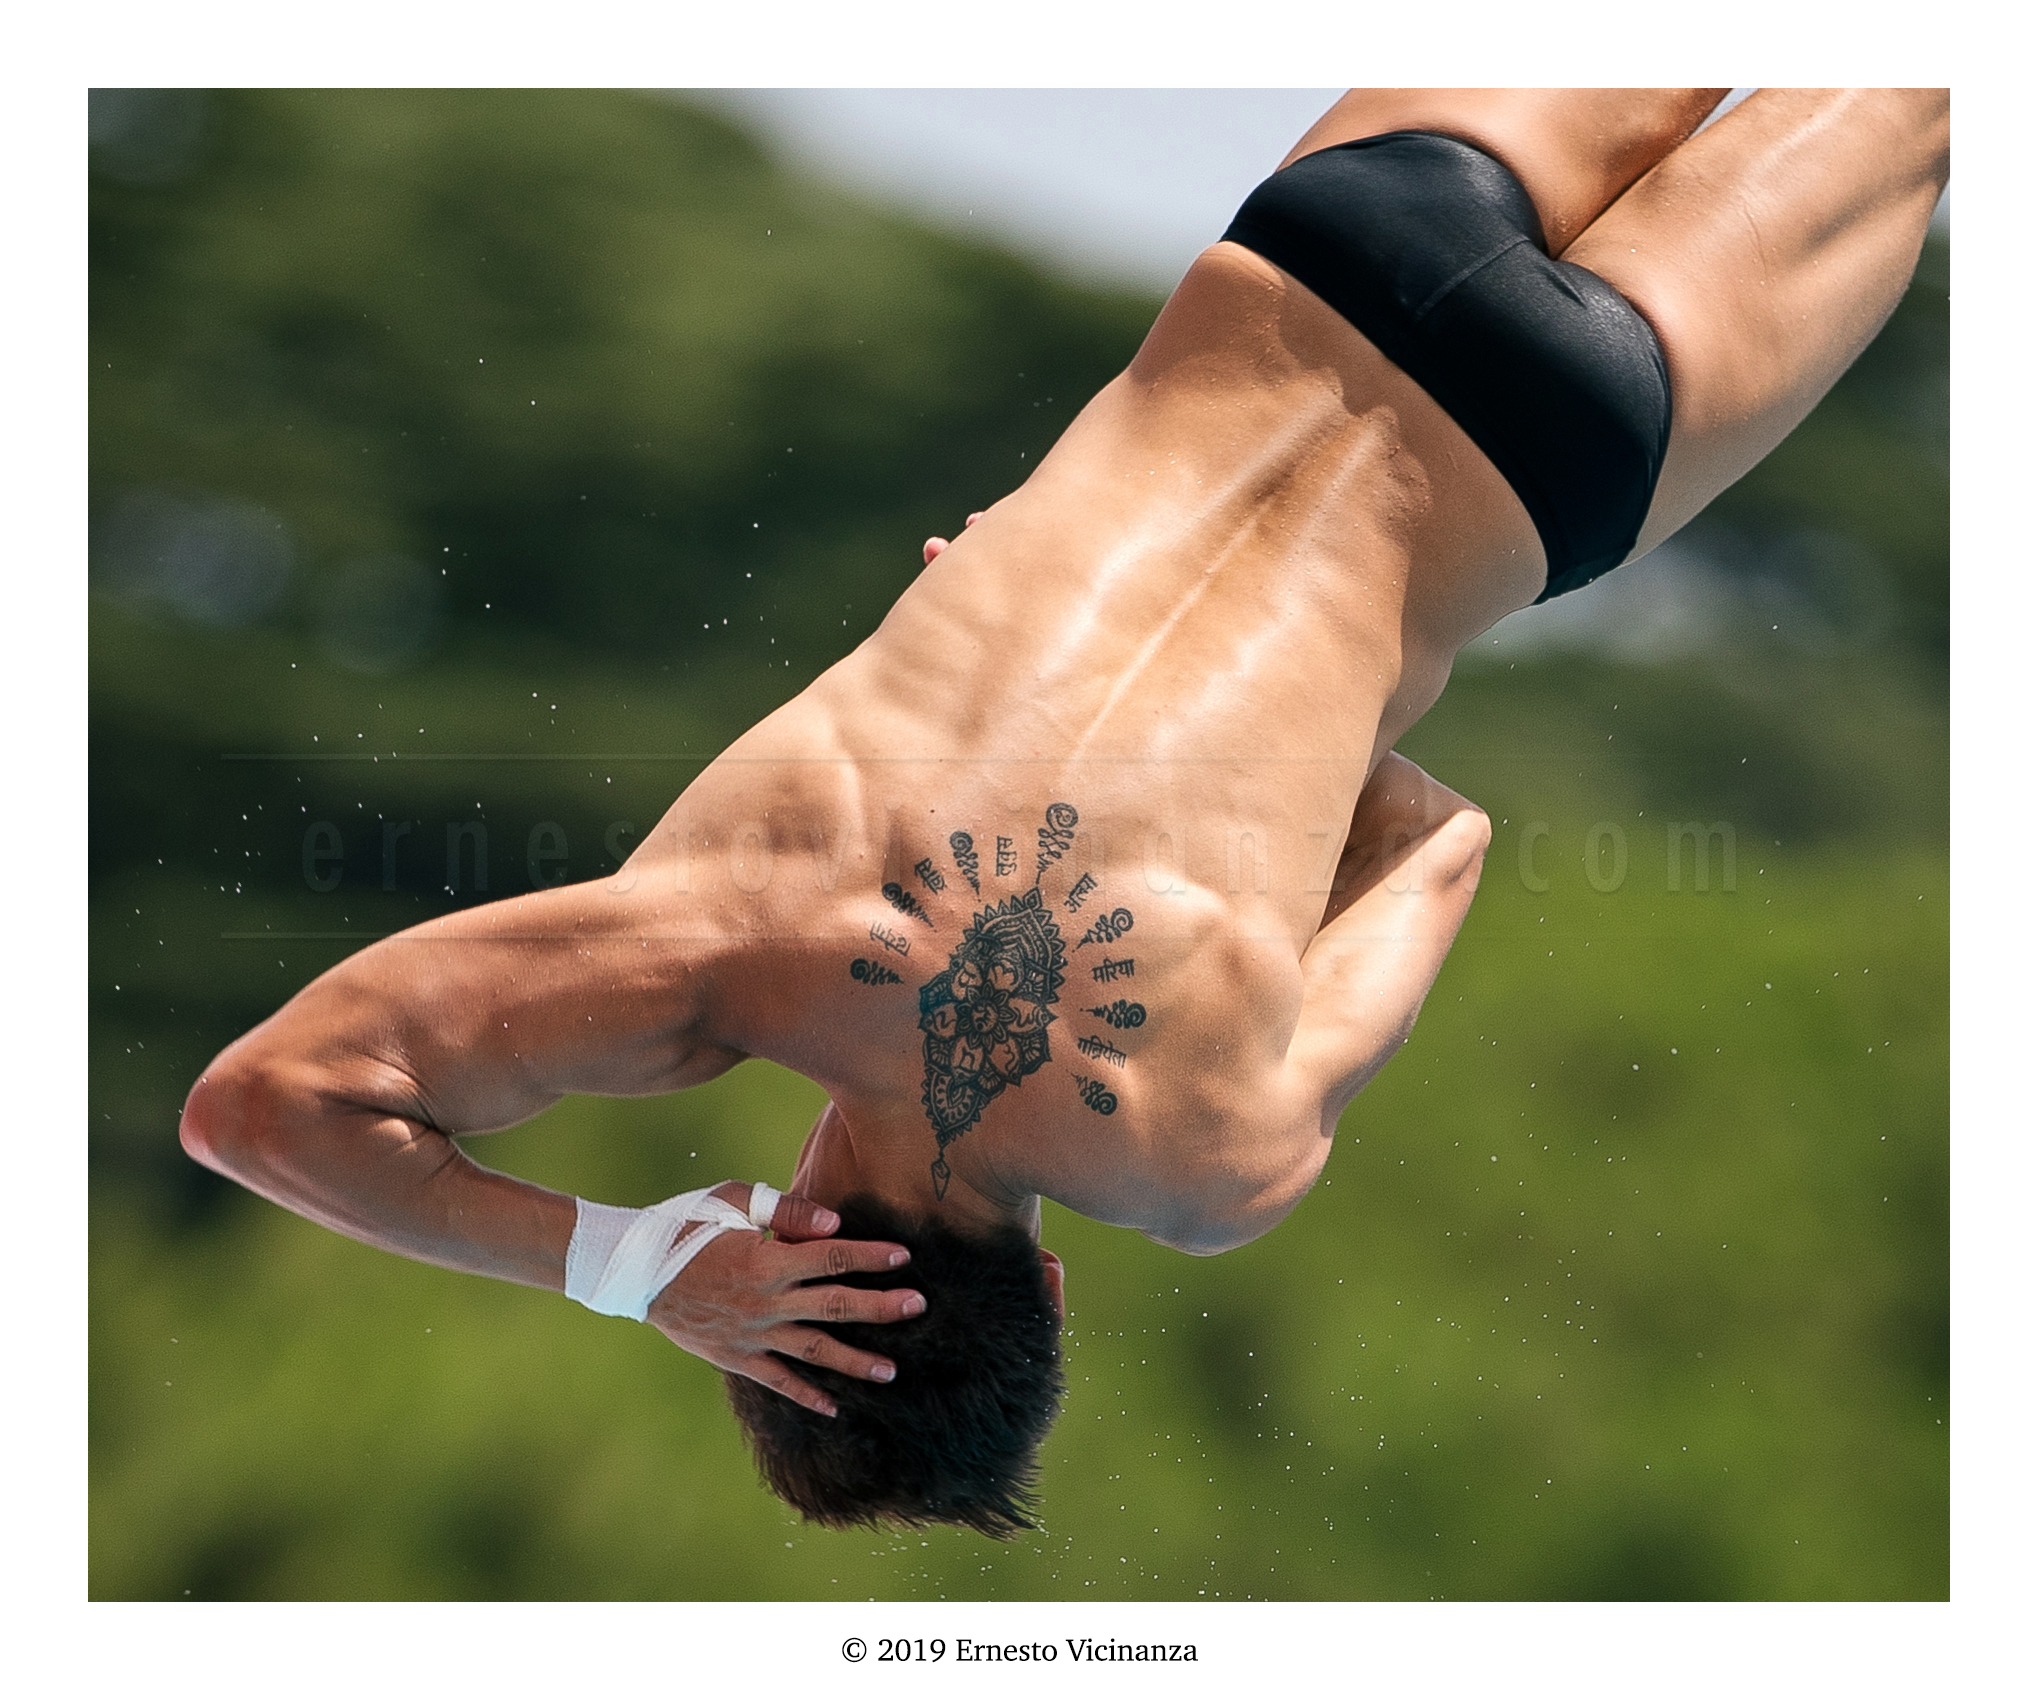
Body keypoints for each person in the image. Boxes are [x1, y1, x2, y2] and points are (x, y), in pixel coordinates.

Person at [179, 88, 1950, 1538]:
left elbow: (1438, 838)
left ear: (1044, 1303)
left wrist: (1257, 752)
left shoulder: (1212, 1163)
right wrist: (634, 1270)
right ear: (780, 1243)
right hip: (1330, 261)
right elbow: (267, 1108)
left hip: (1556, 455)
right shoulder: (723, 935)